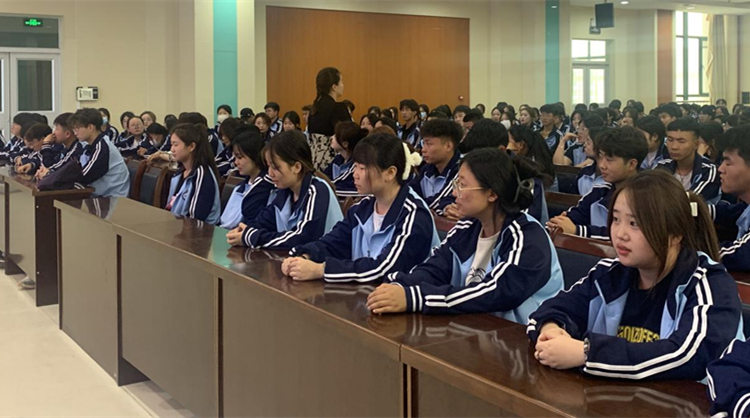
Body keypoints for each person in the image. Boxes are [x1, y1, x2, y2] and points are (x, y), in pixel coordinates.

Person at [528, 170, 743, 381]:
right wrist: (551, 330)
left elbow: (689, 355)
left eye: (634, 224)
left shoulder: (710, 284)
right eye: (616, 219)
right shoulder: (609, 273)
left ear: (675, 234)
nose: (620, 234)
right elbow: (549, 310)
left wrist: (587, 353)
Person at [366, 148, 563, 321]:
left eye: (462, 184)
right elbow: (434, 269)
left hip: (522, 339)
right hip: (475, 327)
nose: (454, 193)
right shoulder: (467, 227)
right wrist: (399, 286)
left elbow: (495, 293)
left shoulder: (528, 237)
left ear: (492, 194)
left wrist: (414, 298)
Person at [282, 133, 439, 283]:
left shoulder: (414, 214)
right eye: (355, 166)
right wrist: (303, 256)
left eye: (362, 168)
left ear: (390, 173)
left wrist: (321, 270)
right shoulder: (362, 208)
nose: (355, 174)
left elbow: (384, 268)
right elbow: (333, 242)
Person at [226, 130, 343, 250]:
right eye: (268, 166)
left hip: (323, 259)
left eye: (275, 167)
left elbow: (302, 237)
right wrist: (245, 231)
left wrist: (253, 237)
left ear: (296, 167)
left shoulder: (317, 190)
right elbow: (264, 221)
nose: (270, 173)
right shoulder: (286, 191)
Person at [547, 126, 647, 240]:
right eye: (600, 157)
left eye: (609, 160)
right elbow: (576, 215)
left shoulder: (647, 197)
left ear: (632, 164)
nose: (602, 165)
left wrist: (578, 231)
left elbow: (629, 236)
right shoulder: (600, 190)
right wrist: (559, 224)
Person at [165, 123, 222, 224]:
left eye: (176, 145)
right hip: (178, 226)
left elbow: (195, 217)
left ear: (191, 146)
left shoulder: (202, 174)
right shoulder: (179, 173)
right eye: (171, 144)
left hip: (198, 231)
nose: (172, 149)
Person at [219, 128, 276, 229]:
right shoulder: (239, 187)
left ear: (254, 156)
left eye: (240, 157)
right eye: (235, 158)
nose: (236, 162)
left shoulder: (267, 187)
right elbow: (225, 221)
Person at [711, 125, 750, 271]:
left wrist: (680, 252)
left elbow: (741, 256)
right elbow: (729, 212)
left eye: (728, 163)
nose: (720, 169)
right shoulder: (746, 205)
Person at [657, 118, 721, 204]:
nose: (674, 147)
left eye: (681, 141)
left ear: (696, 144)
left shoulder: (709, 170)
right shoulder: (662, 167)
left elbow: (692, 201)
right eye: (670, 140)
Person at [68, 108, 130, 197]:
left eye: (77, 128)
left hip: (112, 197)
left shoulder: (102, 147)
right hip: (100, 193)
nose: (75, 133)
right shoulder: (91, 145)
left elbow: (85, 175)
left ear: (90, 127)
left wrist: (58, 178)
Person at [410, 119, 462, 214]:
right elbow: (409, 194)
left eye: (429, 144)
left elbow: (437, 203)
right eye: (423, 143)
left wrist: (419, 206)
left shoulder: (461, 170)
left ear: (448, 146)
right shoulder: (426, 169)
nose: (423, 150)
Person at [307, 67, 350, 171]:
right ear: (334, 87)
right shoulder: (338, 108)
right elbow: (349, 135)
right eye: (341, 82)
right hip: (333, 161)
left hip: (313, 160)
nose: (343, 85)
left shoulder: (313, 110)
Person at [322, 121, 368, 198]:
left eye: (336, 136)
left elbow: (340, 183)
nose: (331, 138)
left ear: (345, 144)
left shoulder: (356, 163)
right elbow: (325, 176)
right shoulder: (338, 158)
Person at [35, 112, 85, 179]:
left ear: (67, 134)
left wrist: (46, 144)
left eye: (56, 129)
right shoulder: (64, 149)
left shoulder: (76, 149)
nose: (53, 133)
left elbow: (51, 167)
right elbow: (51, 165)